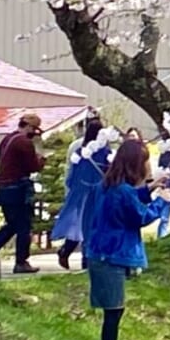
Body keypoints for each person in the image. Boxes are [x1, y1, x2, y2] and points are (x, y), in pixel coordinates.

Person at [84, 136, 170, 340]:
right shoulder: (122, 191)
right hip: (109, 257)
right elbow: (140, 216)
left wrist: (151, 188)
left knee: (114, 312)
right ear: (136, 164)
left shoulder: (108, 185)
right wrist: (162, 203)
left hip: (101, 255)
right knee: (114, 313)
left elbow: (130, 201)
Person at [0, 113, 46, 273]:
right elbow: (33, 166)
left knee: (13, 224)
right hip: (18, 188)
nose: (35, 134)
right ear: (30, 127)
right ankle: (21, 262)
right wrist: (42, 160)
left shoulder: (7, 139)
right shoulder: (24, 142)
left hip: (3, 188)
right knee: (24, 225)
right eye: (35, 130)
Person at [51, 113, 111, 269]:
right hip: (98, 193)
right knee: (92, 226)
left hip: (80, 193)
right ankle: (86, 259)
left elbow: (71, 174)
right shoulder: (105, 151)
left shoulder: (79, 150)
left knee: (81, 226)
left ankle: (75, 255)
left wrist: (71, 188)